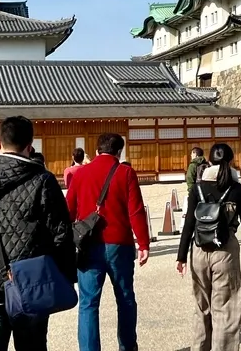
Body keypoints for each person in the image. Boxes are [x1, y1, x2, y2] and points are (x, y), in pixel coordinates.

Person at [0, 115, 74, 351]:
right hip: (31, 282)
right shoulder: (43, 181)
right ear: (29, 146)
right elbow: (61, 234)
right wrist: (64, 275)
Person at [67, 133, 149, 351]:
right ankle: (127, 346)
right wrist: (143, 243)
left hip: (88, 245)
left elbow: (69, 210)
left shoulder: (81, 174)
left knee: (88, 304)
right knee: (125, 299)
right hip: (119, 243)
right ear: (119, 152)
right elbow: (136, 211)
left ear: (95, 151)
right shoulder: (126, 172)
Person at [176, 143, 241, 351]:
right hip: (225, 249)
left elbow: (189, 224)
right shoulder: (237, 189)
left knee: (201, 306)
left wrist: (181, 256)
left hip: (199, 249)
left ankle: (199, 347)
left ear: (209, 162)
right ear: (230, 162)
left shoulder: (198, 188)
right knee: (226, 307)